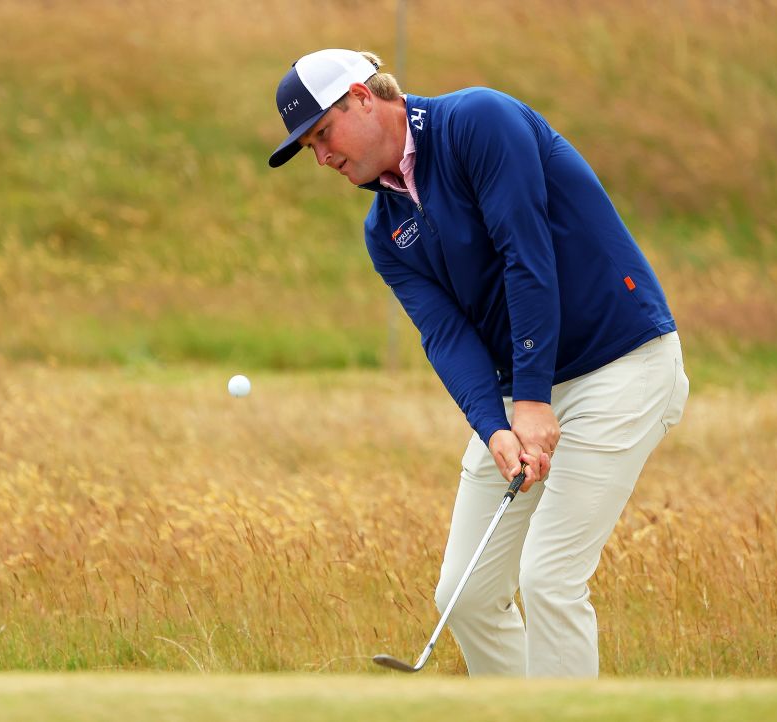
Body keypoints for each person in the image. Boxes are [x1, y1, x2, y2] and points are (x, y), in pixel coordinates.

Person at [268, 48, 689, 677]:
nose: (322, 157)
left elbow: (528, 254)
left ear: (361, 96)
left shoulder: (478, 123)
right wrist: (495, 427)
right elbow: (445, 335)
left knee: (548, 576)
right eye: (309, 149)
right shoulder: (384, 232)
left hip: (620, 364)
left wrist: (532, 399)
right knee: (464, 594)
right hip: (523, 391)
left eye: (323, 133)